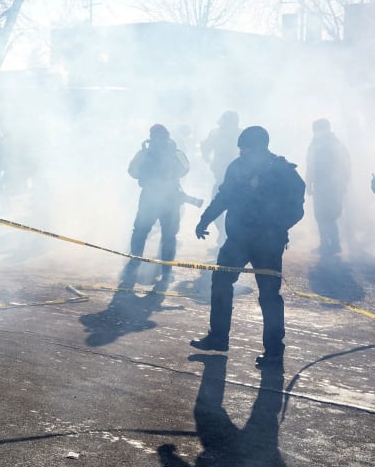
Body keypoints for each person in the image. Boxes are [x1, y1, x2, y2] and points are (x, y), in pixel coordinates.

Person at [191, 126, 306, 368]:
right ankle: (218, 338)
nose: (242, 152)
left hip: (267, 244)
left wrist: (276, 227)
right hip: (238, 240)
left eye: (247, 148)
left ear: (260, 147)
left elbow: (297, 207)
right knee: (221, 282)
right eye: (241, 149)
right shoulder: (238, 166)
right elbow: (223, 196)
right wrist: (205, 218)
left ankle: (274, 351)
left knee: (269, 296)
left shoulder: (282, 170)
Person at [126, 123, 190, 281]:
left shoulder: (147, 152)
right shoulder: (173, 152)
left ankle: (135, 265)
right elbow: (186, 169)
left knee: (141, 232)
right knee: (167, 236)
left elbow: (132, 171)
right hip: (166, 198)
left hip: (154, 197)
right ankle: (165, 271)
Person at [305, 118, 350, 257]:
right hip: (322, 185)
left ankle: (332, 244)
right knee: (322, 215)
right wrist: (309, 183)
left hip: (331, 186)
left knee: (328, 215)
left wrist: (342, 184)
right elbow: (310, 165)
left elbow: (344, 166)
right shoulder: (317, 144)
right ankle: (329, 244)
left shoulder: (334, 144)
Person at [200, 111, 241, 246]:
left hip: (240, 180)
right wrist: (207, 157)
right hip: (221, 178)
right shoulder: (216, 134)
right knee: (217, 209)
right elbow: (205, 146)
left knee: (235, 211)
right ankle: (223, 235)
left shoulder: (240, 134)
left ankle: (229, 238)